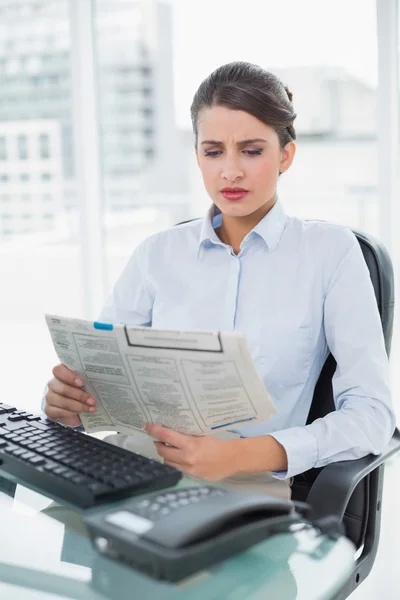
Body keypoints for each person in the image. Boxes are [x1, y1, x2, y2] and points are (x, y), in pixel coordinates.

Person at [43, 61, 396, 498]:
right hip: (130, 468)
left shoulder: (331, 252)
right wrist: (72, 403)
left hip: (245, 485)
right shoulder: (157, 253)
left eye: (251, 150)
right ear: (197, 155)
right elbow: (102, 377)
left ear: (286, 154)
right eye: (213, 151)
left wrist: (243, 456)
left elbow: (373, 415)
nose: (230, 171)